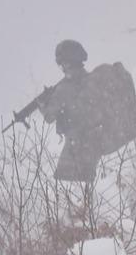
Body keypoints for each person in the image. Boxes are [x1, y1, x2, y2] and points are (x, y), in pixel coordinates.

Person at [40, 40, 101, 183]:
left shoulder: (63, 89)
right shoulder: (92, 80)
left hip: (74, 147)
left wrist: (43, 106)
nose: (61, 67)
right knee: (91, 188)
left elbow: (49, 117)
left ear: (67, 62)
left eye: (61, 63)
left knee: (64, 187)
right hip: (95, 145)